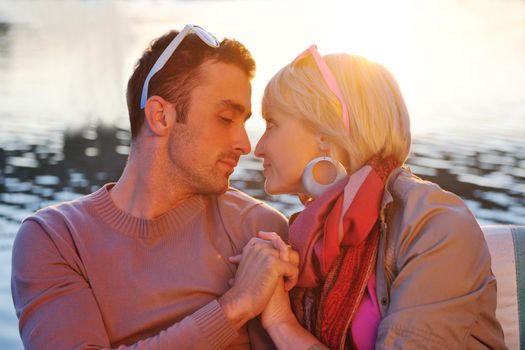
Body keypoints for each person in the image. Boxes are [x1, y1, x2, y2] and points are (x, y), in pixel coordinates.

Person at [10, 25, 298, 349]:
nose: (245, 145)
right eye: (226, 118)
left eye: (244, 123)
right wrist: (234, 307)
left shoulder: (260, 232)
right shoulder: (55, 239)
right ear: (160, 116)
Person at [248, 45, 507, 349]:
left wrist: (282, 323)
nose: (258, 148)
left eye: (272, 123)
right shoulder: (313, 233)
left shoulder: (435, 224)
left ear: (324, 132)